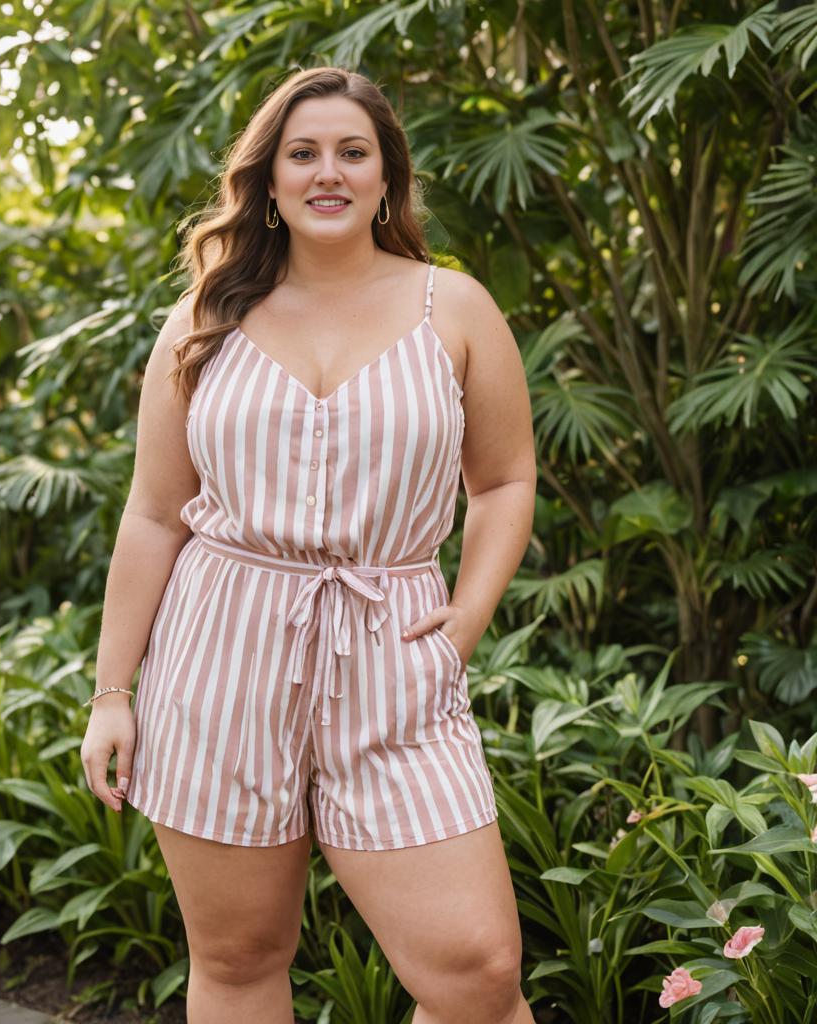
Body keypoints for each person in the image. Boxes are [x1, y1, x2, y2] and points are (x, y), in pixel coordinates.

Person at [81, 65, 537, 1024]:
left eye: (352, 152)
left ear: (385, 177)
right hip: (220, 653)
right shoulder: (206, 318)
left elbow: (503, 481)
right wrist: (113, 693)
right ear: (272, 181)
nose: (327, 171)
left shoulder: (451, 309)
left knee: (479, 972)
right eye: (303, 153)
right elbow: (155, 514)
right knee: (241, 956)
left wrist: (465, 622)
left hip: (395, 653)